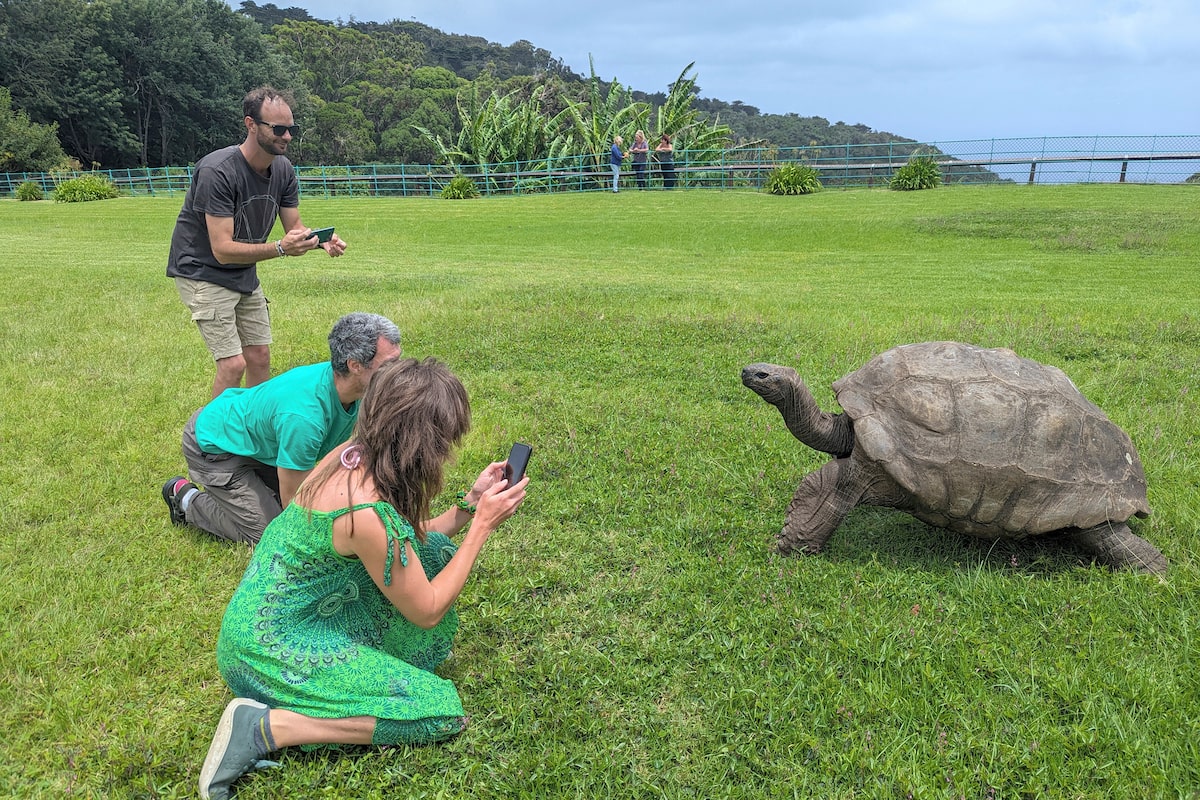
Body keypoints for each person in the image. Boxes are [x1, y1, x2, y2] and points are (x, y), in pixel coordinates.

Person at [197, 357, 528, 800]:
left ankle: (324, 691)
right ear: (420, 443)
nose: (446, 454)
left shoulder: (349, 456)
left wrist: (469, 504)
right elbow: (428, 610)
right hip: (269, 650)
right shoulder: (367, 513)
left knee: (431, 552)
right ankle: (267, 727)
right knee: (434, 710)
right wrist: (482, 526)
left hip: (271, 624)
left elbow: (406, 543)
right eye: (444, 443)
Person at [167, 85, 349, 399]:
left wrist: (320, 240)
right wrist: (280, 248)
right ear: (251, 124)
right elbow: (222, 250)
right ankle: (212, 430)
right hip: (202, 271)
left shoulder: (283, 169)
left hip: (243, 272)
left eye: (291, 129)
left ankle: (253, 425)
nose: (287, 136)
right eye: (278, 129)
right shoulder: (217, 171)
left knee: (259, 357)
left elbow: (294, 227)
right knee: (232, 364)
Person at [162, 312, 400, 545]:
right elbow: (293, 501)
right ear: (355, 365)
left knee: (318, 497)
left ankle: (247, 493)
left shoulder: (356, 389)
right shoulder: (304, 417)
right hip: (213, 447)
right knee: (269, 533)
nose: (399, 371)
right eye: (390, 364)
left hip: (255, 445)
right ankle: (185, 498)